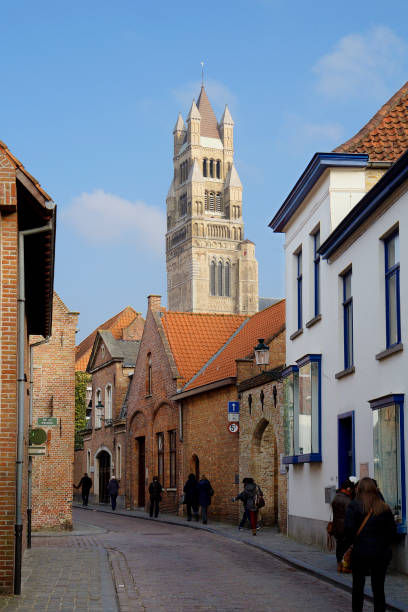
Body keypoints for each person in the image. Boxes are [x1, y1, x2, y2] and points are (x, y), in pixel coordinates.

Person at [344, 477, 397, 612]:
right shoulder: (384, 507)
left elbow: (348, 530)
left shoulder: (354, 506)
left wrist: (353, 543)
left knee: (358, 588)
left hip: (360, 553)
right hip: (380, 554)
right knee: (378, 589)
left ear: (359, 489)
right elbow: (392, 532)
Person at [331, 478, 355, 572]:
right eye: (351, 489)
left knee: (339, 546)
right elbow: (350, 515)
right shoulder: (347, 500)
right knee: (346, 547)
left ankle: (339, 565)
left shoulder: (336, 497)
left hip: (336, 525)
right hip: (345, 527)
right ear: (348, 489)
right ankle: (345, 565)